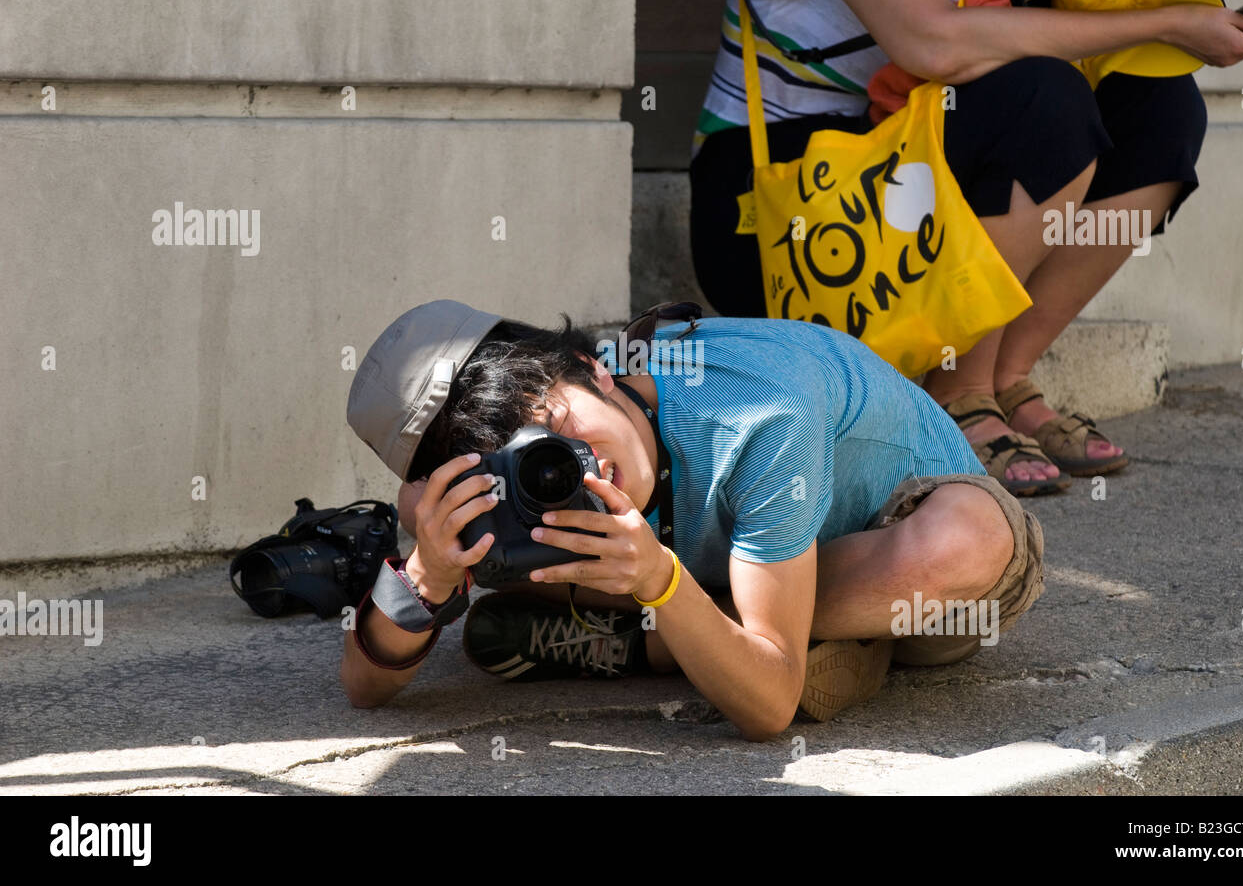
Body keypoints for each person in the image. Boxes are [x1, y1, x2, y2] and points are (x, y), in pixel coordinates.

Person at [689, 0, 1243, 497]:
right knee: (1043, 98)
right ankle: (955, 392)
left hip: (899, 178)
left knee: (1161, 104)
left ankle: (1003, 378)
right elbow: (930, 41)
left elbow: (1177, 37)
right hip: (781, 216)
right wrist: (1173, 23)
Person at [341, 299, 1046, 741]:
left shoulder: (763, 413)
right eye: (532, 462)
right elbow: (364, 689)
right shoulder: (513, 474)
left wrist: (659, 585)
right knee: (437, 525)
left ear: (596, 367)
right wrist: (428, 578)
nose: (577, 464)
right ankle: (705, 635)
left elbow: (770, 709)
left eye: (554, 425)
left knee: (968, 539)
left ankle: (660, 642)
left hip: (895, 561)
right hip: (721, 568)